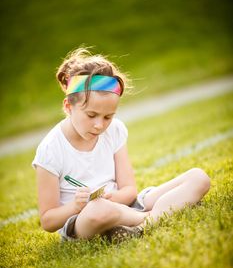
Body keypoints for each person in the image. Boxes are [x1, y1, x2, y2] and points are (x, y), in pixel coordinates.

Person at [32, 47, 211, 242]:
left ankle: (140, 224)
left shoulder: (114, 130)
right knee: (98, 210)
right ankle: (161, 214)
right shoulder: (50, 149)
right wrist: (76, 206)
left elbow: (129, 191)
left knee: (198, 177)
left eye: (108, 116)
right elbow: (48, 221)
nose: (100, 125)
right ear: (68, 106)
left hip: (125, 207)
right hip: (85, 219)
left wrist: (114, 199)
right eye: (91, 115)